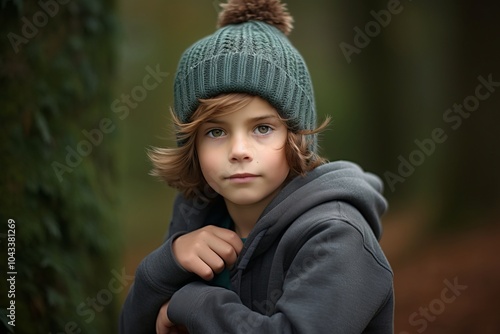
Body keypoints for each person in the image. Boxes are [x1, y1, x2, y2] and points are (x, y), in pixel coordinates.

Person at [119, 0, 394, 333]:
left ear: (297, 136)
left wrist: (192, 303)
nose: (238, 151)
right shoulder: (197, 217)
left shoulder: (337, 236)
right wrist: (167, 263)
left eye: (262, 128)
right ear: (192, 144)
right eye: (216, 131)